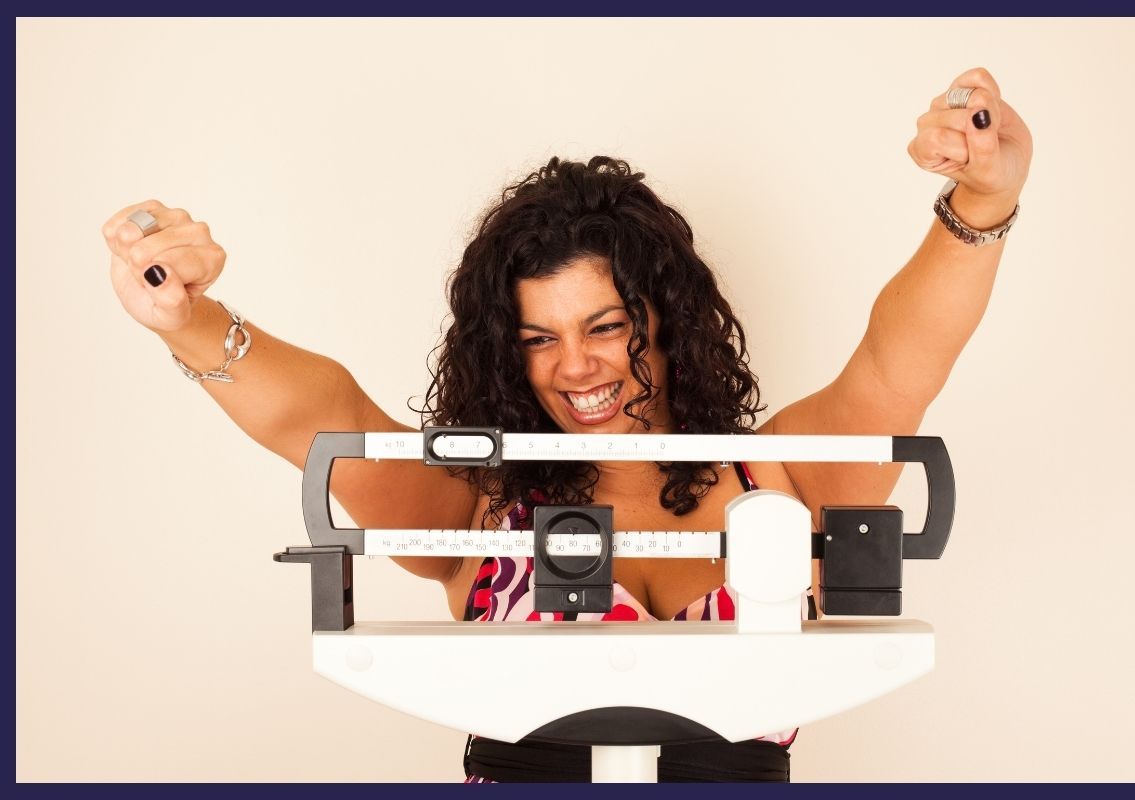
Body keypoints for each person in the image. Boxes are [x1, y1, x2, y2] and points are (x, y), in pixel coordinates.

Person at [100, 67, 1031, 782]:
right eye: (540, 337)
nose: (574, 366)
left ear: (667, 317)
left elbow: (897, 361)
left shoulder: (781, 479)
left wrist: (981, 200)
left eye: (607, 326)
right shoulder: (477, 507)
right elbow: (326, 413)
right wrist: (187, 317)